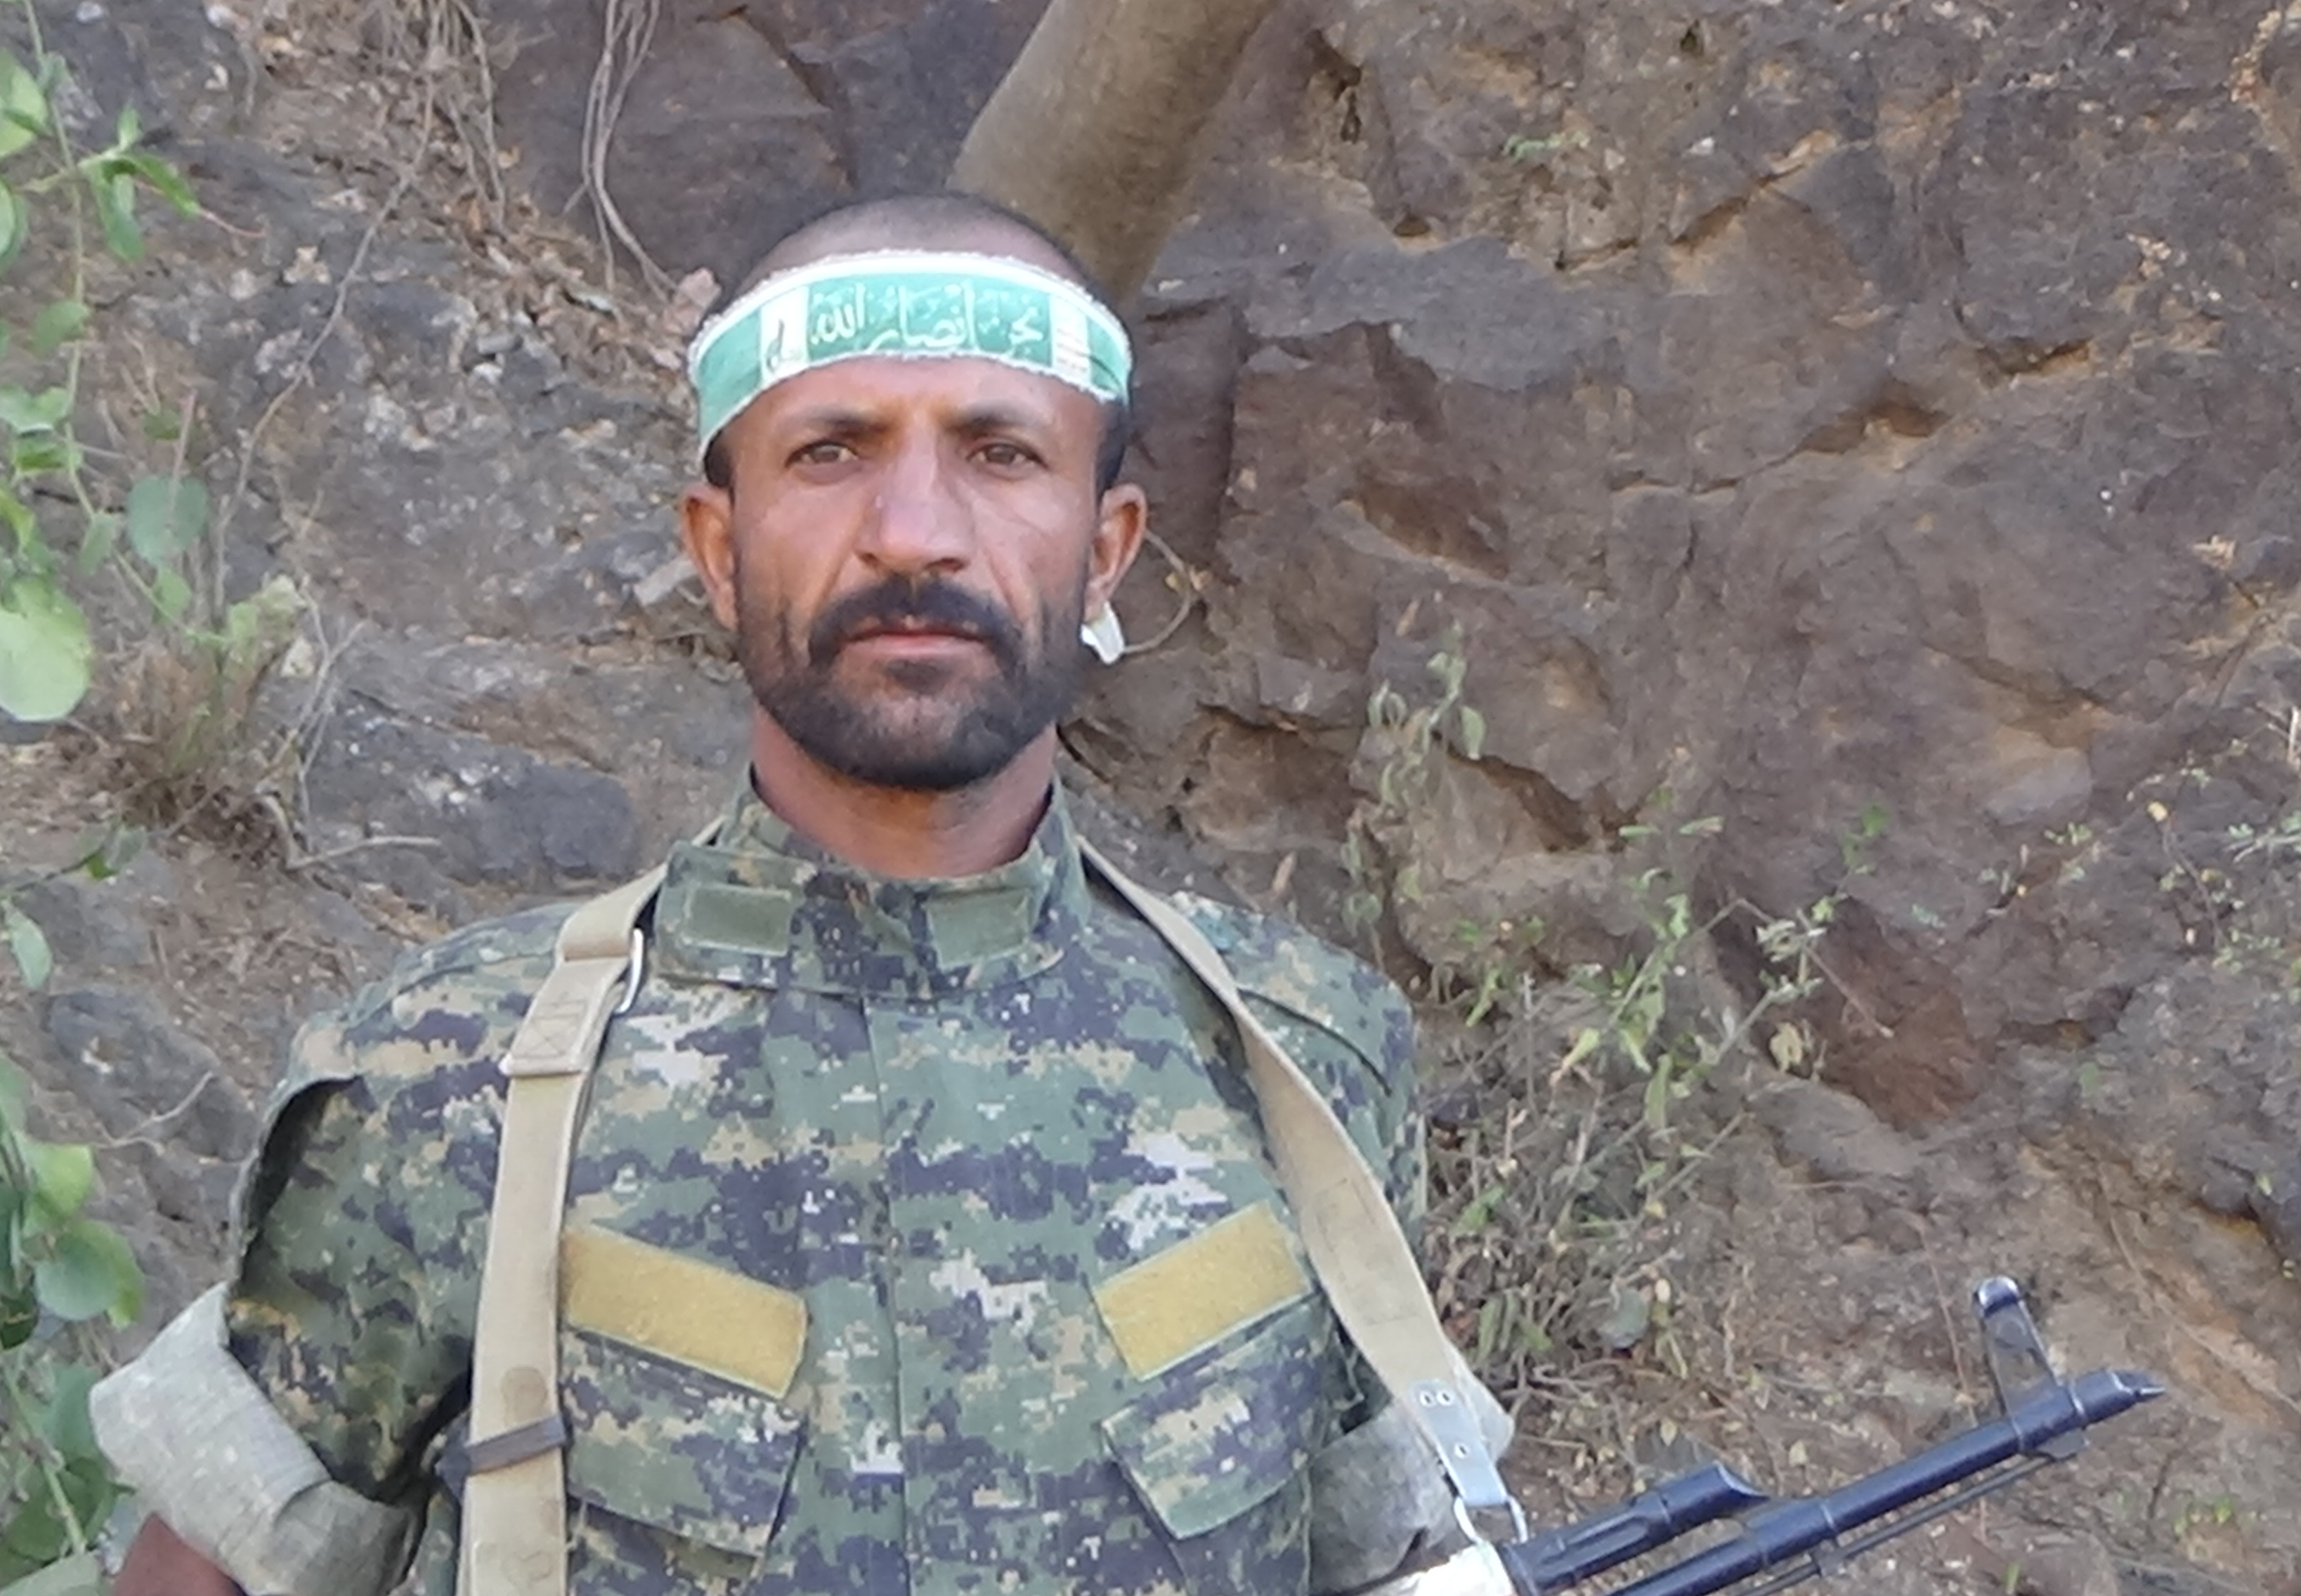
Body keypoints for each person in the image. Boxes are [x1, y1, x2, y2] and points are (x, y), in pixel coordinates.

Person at [93, 192, 1490, 1596]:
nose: (914, 534)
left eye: (1001, 452)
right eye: (832, 453)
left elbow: (1400, 1556)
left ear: (1107, 547)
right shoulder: (452, 1081)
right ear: (719, 547)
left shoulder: (1301, 1067)